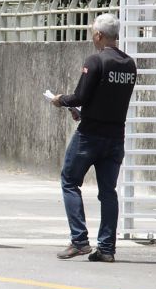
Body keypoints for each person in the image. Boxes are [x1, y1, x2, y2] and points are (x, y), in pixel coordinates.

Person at [51, 13, 137, 263]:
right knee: (108, 191)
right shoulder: (129, 64)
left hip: (90, 136)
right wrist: (84, 111)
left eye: (92, 32)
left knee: (69, 180)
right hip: (115, 137)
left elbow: (80, 96)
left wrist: (60, 101)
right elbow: (111, 99)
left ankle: (79, 241)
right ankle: (107, 248)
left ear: (99, 35)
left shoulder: (96, 60)